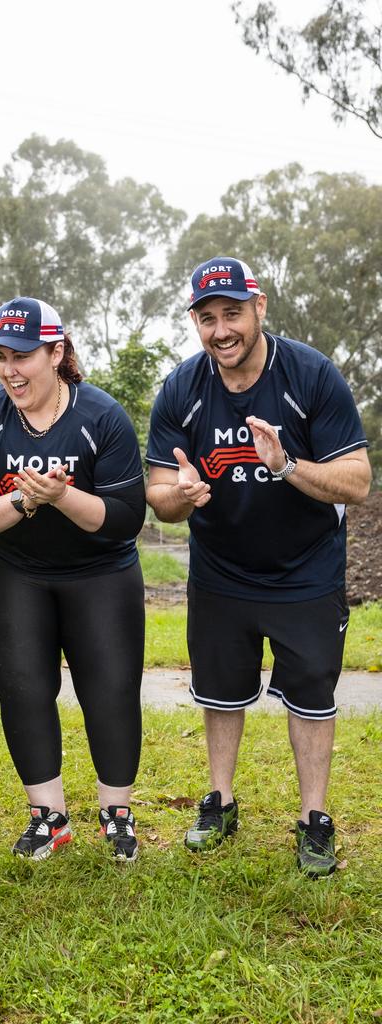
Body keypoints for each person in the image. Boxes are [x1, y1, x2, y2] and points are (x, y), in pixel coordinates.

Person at [146, 255, 371, 878]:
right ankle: (219, 802)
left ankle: (313, 820)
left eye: (233, 314)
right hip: (221, 571)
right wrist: (180, 495)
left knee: (311, 697)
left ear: (260, 307)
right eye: (207, 318)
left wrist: (287, 466)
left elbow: (357, 482)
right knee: (221, 694)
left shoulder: (310, 374)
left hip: (305, 570)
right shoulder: (183, 389)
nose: (221, 330)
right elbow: (158, 492)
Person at [0, 297, 146, 861]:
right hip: (16, 574)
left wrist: (61, 496)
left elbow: (126, 518)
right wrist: (23, 501)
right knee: (26, 691)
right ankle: (48, 817)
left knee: (109, 691)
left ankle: (117, 813)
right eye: (2, 357)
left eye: (24, 356)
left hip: (100, 573)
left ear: (57, 353)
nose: (11, 370)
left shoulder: (101, 416)